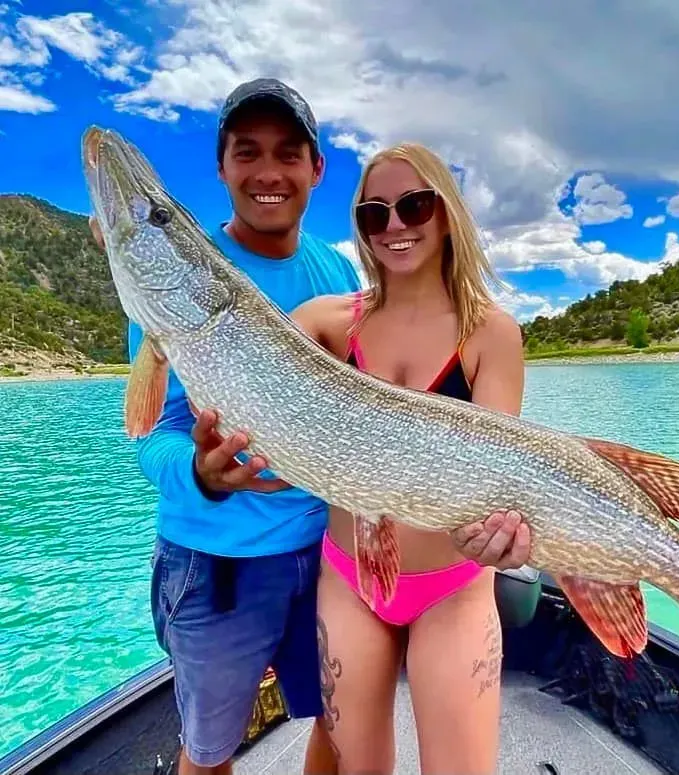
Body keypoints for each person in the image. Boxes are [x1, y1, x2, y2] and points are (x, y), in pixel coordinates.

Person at [89, 78, 531, 775]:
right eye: (247, 152)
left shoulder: (335, 277)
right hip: (220, 563)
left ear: (315, 170)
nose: (268, 172)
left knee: (331, 728)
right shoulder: (170, 307)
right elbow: (152, 433)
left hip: (321, 558)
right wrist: (202, 474)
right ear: (223, 165)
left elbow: (387, 413)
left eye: (288, 153)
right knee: (209, 747)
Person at [286, 141, 529, 774]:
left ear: (445, 213)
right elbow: (240, 363)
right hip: (348, 580)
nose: (395, 226)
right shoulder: (324, 323)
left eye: (414, 206)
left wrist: (505, 532)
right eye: (374, 214)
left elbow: (498, 475)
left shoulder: (490, 333)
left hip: (452, 587)